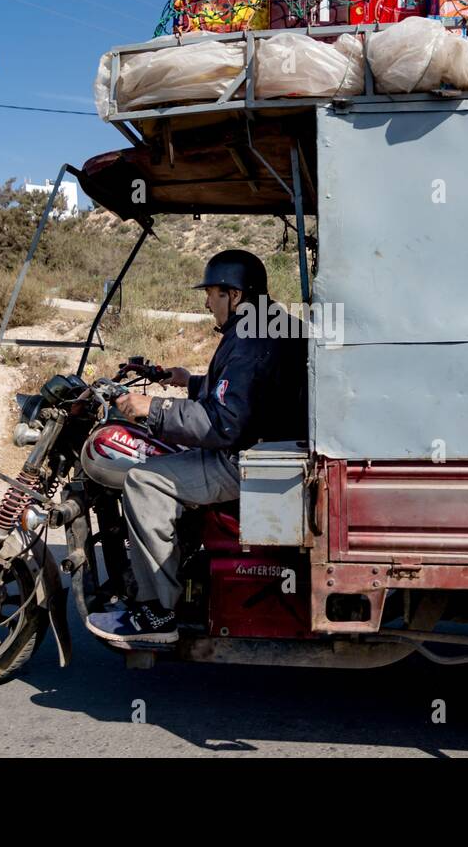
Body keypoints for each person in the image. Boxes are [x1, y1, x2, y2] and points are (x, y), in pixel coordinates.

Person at [86, 249, 307, 645]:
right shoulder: (269, 325)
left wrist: (151, 408)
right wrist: (188, 382)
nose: (206, 302)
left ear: (234, 294)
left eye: (212, 293)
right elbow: (248, 394)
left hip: (244, 460)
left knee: (143, 480)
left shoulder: (249, 338)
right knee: (170, 454)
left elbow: (222, 422)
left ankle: (157, 612)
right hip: (265, 448)